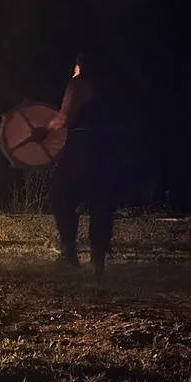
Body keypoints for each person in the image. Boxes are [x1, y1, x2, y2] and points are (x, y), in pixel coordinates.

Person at [47, 47, 118, 277]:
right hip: (106, 148)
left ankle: (68, 252)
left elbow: (65, 117)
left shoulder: (77, 84)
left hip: (81, 146)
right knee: (101, 204)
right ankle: (98, 261)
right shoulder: (110, 87)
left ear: (79, 67)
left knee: (62, 197)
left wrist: (46, 128)